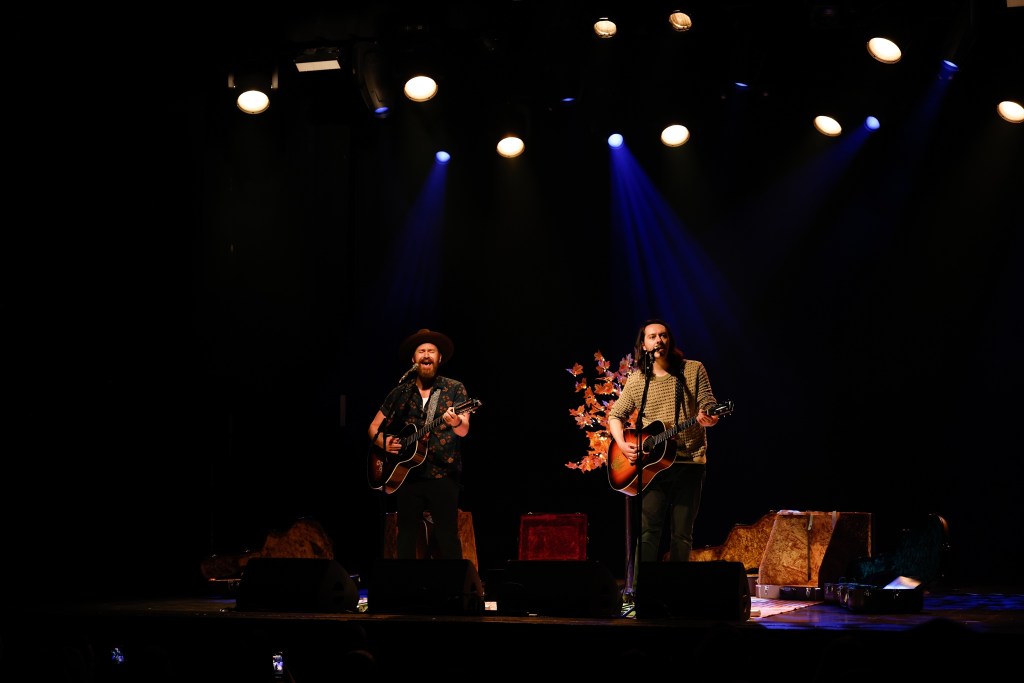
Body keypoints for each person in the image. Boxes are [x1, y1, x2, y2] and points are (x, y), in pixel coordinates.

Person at [608, 318, 721, 587]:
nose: (659, 340)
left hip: (690, 461)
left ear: (669, 340)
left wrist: (710, 417)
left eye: (663, 335)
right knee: (648, 532)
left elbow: (708, 404)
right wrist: (622, 443)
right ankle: (641, 591)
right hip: (653, 466)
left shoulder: (692, 369)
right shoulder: (638, 380)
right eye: (652, 336)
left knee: (681, 533)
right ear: (643, 345)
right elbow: (616, 415)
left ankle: (676, 591)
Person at [367, 328, 471, 560]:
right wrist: (384, 443)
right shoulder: (401, 392)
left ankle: (454, 582)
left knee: (447, 536)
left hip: (443, 474)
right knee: (405, 536)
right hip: (408, 475)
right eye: (421, 351)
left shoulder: (454, 388)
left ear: (439, 358)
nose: (426, 355)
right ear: (413, 359)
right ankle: (406, 582)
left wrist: (455, 421)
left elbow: (464, 430)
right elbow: (373, 427)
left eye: (431, 351)